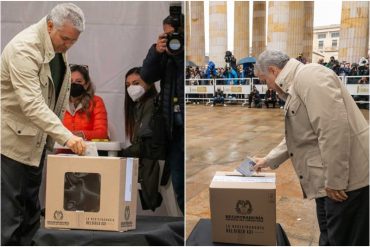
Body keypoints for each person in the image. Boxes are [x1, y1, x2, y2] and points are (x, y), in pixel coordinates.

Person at [253, 49, 369, 246]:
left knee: (343, 239)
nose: (268, 87)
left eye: (265, 80)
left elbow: (333, 130)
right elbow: (302, 135)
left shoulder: (310, 77)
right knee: (330, 237)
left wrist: (335, 180)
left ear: (273, 70)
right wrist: (268, 160)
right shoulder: (298, 83)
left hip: (346, 182)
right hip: (328, 181)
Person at [1, 3, 86, 245]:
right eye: (66, 39)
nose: (68, 45)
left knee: (30, 217)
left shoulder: (56, 44)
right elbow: (32, 104)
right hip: (12, 147)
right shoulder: (24, 49)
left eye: (74, 41)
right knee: (9, 221)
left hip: (35, 144)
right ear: (50, 26)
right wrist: (67, 137)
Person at [140, 13, 184, 213]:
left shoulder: (189, 53)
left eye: (176, 34)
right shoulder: (162, 51)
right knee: (178, 180)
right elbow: (147, 77)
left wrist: (180, 53)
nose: (172, 39)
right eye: (167, 35)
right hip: (172, 127)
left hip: (188, 123)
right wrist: (157, 52)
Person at [121, 67, 165, 211]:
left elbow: (146, 143)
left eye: (136, 83)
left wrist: (123, 153)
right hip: (144, 160)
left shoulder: (152, 104)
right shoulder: (139, 106)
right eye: (128, 85)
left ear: (149, 83)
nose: (131, 88)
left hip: (152, 161)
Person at [63, 64, 108, 140]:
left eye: (79, 81)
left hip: (89, 149)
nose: (74, 84)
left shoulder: (96, 102)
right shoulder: (60, 103)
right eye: (70, 81)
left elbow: (102, 133)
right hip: (64, 149)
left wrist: (82, 134)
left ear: (86, 84)